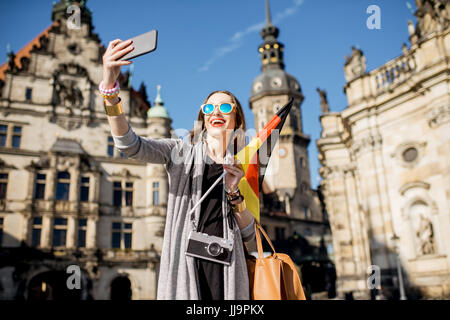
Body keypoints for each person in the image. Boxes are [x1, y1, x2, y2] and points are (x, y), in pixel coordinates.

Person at [101, 39, 256, 300]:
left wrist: (234, 193)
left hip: (228, 270)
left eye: (225, 107)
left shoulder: (242, 166)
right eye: (209, 107)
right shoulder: (181, 152)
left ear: (237, 119)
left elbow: (249, 236)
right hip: (188, 266)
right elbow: (129, 144)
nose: (216, 111)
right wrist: (109, 89)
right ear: (203, 117)